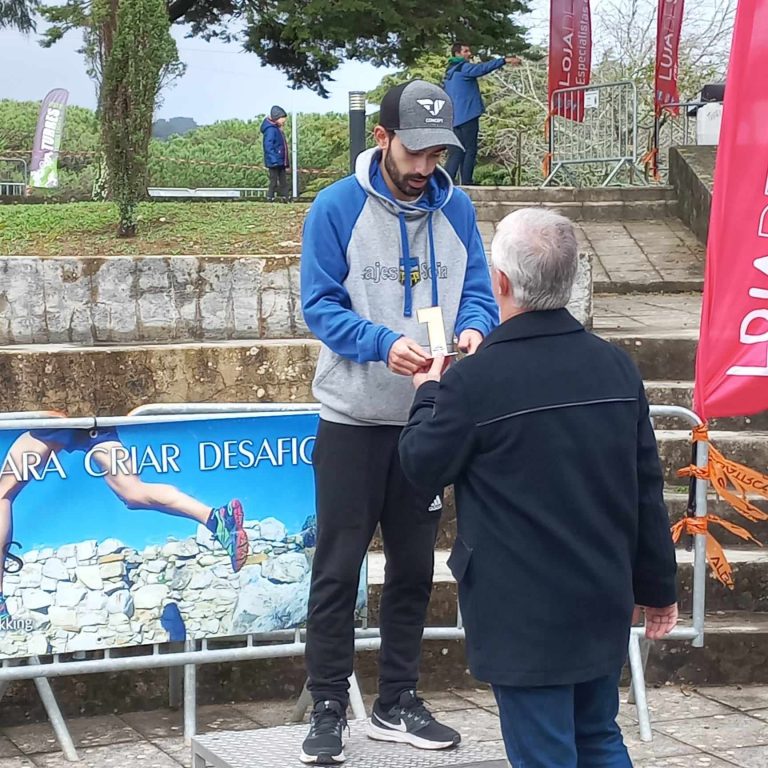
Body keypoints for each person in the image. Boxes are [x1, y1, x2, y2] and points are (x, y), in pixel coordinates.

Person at [399, 208, 679, 768]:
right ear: (570, 279)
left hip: (520, 608)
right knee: (598, 734)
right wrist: (659, 586)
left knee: (543, 751)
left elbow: (420, 465)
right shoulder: (615, 368)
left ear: (500, 282)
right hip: (601, 591)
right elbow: (647, 487)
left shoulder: (474, 382)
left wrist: (429, 391)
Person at [299, 79, 498, 764]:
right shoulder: (335, 208)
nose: (424, 169)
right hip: (353, 418)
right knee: (338, 568)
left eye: (437, 154)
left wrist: (474, 330)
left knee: (415, 568)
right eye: (414, 152)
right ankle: (328, 703)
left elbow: (479, 290)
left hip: (427, 420)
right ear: (383, 139)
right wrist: (382, 343)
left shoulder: (459, 209)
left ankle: (398, 701)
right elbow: (319, 305)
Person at [0, 427, 248, 621]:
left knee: (3, 494)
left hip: (58, 414)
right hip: (96, 419)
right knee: (133, 491)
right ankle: (214, 518)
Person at [443, 43, 521, 185]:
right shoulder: (464, 68)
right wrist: (504, 60)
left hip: (453, 118)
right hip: (467, 116)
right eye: (466, 51)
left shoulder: (449, 73)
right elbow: (482, 69)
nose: (469, 54)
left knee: (456, 152)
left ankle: (446, 181)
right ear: (457, 54)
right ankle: (466, 181)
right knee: (470, 150)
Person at [261, 105, 290, 202]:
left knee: (283, 180)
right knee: (273, 180)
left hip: (280, 159)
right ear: (277, 118)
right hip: (274, 160)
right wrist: (273, 160)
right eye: (282, 119)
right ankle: (270, 196)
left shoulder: (277, 129)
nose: (284, 121)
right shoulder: (270, 130)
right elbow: (268, 146)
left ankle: (285, 197)